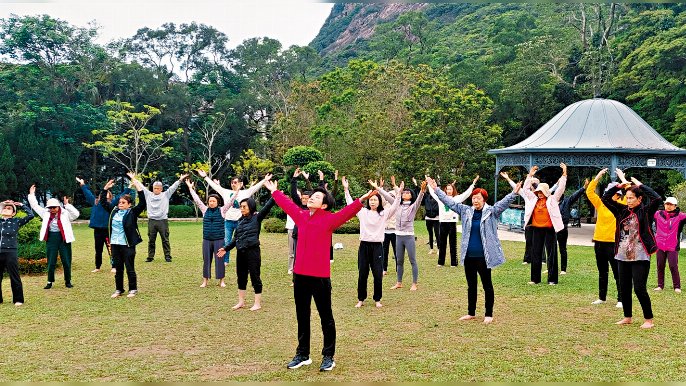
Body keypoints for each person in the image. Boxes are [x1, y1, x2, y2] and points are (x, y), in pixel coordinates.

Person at [266, 179, 367, 372]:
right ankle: (303, 354)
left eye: (317, 197)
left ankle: (328, 356)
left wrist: (359, 201)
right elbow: (287, 205)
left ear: (325, 204)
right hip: (300, 275)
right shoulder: (302, 215)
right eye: (311, 196)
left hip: (320, 277)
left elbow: (346, 213)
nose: (311, 198)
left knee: (325, 316)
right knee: (302, 316)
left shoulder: (329, 219)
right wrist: (275, 191)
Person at [428, 175, 522, 324]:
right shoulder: (465, 211)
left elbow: (504, 203)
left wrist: (514, 193)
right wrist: (436, 190)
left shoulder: (492, 211)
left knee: (487, 285)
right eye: (473, 198)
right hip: (469, 256)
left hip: (484, 256)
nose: (475, 200)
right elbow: (449, 202)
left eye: (478, 198)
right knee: (471, 285)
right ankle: (471, 312)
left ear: (484, 199)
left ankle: (488, 314)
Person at [602, 169, 661, 329]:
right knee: (624, 287)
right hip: (622, 255)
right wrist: (620, 185)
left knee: (639, 288)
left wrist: (640, 185)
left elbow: (657, 198)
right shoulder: (620, 211)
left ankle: (648, 319)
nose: (628, 201)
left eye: (631, 198)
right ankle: (627, 317)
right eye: (626, 198)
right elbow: (605, 198)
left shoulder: (646, 211)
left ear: (639, 198)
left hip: (640, 255)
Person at [346, 177, 401, 308]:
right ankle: (361, 299)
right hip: (364, 246)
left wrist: (398, 192)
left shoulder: (384, 213)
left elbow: (395, 205)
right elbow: (350, 205)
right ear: (368, 201)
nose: (373, 202)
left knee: (377, 274)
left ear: (379, 201)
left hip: (377, 247)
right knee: (362, 274)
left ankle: (377, 299)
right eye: (371, 200)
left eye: (375, 200)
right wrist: (346, 189)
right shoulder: (362, 212)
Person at [198, 169, 271, 265]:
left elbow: (256, 187)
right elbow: (214, 186)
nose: (233, 184)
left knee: (241, 241)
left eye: (235, 182)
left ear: (240, 184)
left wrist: (265, 180)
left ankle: (242, 259)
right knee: (227, 241)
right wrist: (205, 177)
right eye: (232, 182)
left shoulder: (246, 192)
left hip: (240, 222)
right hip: (228, 221)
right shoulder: (225, 192)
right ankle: (225, 260)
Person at [217, 196, 275, 311]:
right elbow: (235, 238)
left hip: (252, 252)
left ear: (251, 206)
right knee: (241, 277)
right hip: (241, 252)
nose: (242, 209)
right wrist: (225, 248)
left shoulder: (257, 217)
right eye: (241, 207)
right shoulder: (240, 220)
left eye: (244, 207)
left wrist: (274, 194)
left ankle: (257, 303)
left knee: (255, 276)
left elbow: (267, 206)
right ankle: (241, 302)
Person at [100, 175, 147, 298]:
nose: (120, 204)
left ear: (129, 204)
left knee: (129, 267)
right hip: (115, 244)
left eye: (123, 203)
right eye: (120, 202)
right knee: (118, 268)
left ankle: (133, 289)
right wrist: (105, 189)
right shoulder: (114, 211)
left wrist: (136, 184)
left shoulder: (132, 212)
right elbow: (103, 203)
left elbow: (143, 202)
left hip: (127, 244)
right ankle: (119, 289)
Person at [77, 177, 136, 273]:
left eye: (108, 195)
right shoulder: (95, 202)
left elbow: (121, 196)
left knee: (111, 249)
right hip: (97, 230)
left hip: (108, 230)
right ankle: (97, 266)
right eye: (103, 195)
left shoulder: (112, 204)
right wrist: (83, 184)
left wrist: (129, 187)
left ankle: (114, 266)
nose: (104, 196)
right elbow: (87, 193)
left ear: (110, 197)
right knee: (98, 249)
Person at [521, 164, 567, 285]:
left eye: (541, 192)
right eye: (538, 191)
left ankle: (552, 279)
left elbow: (561, 189)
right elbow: (525, 190)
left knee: (551, 254)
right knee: (536, 253)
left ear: (546, 191)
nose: (539, 193)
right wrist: (530, 175)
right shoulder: (533, 199)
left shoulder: (552, 199)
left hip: (550, 229)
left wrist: (564, 174)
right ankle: (535, 279)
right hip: (536, 229)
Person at [377, 180, 427, 291]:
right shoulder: (397, 205)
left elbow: (419, 200)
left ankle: (414, 283)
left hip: (409, 236)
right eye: (404, 192)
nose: (405, 194)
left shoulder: (413, 206)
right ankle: (399, 282)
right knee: (399, 261)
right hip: (398, 236)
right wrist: (378, 188)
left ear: (411, 196)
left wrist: (422, 192)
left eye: (408, 193)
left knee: (412, 260)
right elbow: (386, 195)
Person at [28, 185, 80, 289]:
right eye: (50, 208)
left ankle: (68, 281)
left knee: (66, 260)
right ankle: (49, 281)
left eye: (54, 207)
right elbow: (35, 206)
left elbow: (76, 214)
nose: (52, 209)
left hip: (64, 238)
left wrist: (67, 205)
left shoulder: (65, 213)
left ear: (58, 207)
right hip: (51, 238)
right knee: (51, 260)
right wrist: (31, 194)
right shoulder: (45, 213)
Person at [586, 168, 623, 307]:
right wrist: (598, 177)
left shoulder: (623, 204)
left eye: (614, 192)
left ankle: (621, 299)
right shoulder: (601, 203)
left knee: (617, 271)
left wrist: (623, 180)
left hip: (614, 242)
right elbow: (589, 192)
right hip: (599, 241)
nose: (613, 195)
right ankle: (602, 297)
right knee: (602, 271)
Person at [186, 178, 230, 288]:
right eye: (210, 201)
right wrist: (191, 188)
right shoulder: (204, 210)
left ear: (217, 202)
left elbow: (230, 202)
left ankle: (221, 281)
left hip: (219, 239)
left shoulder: (222, 210)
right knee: (206, 260)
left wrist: (238, 191)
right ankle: (205, 281)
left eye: (214, 201)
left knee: (220, 260)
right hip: (206, 239)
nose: (211, 203)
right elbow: (197, 200)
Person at [429, 176, 477, 267]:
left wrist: (473, 184)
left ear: (453, 190)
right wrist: (429, 184)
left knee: (452, 243)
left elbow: (466, 194)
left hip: (452, 223)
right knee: (442, 243)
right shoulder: (441, 198)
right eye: (447, 189)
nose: (449, 191)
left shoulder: (457, 199)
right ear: (445, 190)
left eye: (450, 189)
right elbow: (433, 193)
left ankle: (453, 263)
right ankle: (441, 262)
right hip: (443, 222)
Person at [141, 173, 188, 262]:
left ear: (161, 189)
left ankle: (167, 256)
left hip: (162, 221)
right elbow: (141, 187)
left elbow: (173, 188)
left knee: (165, 239)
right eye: (155, 188)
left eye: (158, 188)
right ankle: (150, 257)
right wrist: (134, 179)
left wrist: (180, 180)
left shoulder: (166, 195)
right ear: (153, 188)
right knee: (151, 240)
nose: (156, 190)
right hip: (151, 221)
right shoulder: (148, 194)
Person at [0, 200, 34, 306]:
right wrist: (2, 203)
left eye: (9, 208)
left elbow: (31, 215)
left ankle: (18, 299)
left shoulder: (16, 221)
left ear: (13, 213)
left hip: (11, 251)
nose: (6, 209)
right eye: (5, 207)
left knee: (14, 276)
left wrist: (22, 205)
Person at [653, 196, 686, 293]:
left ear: (675, 206)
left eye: (671, 204)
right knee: (660, 265)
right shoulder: (657, 214)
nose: (668, 206)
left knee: (673, 266)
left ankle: (677, 286)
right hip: (660, 245)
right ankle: (660, 285)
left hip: (672, 246)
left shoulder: (680, 216)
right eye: (667, 204)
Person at [555, 179, 587, 274]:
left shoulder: (566, 201)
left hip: (562, 228)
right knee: (552, 249)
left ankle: (563, 269)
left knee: (562, 248)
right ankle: (551, 267)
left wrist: (583, 188)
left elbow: (575, 196)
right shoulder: (551, 200)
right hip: (552, 228)